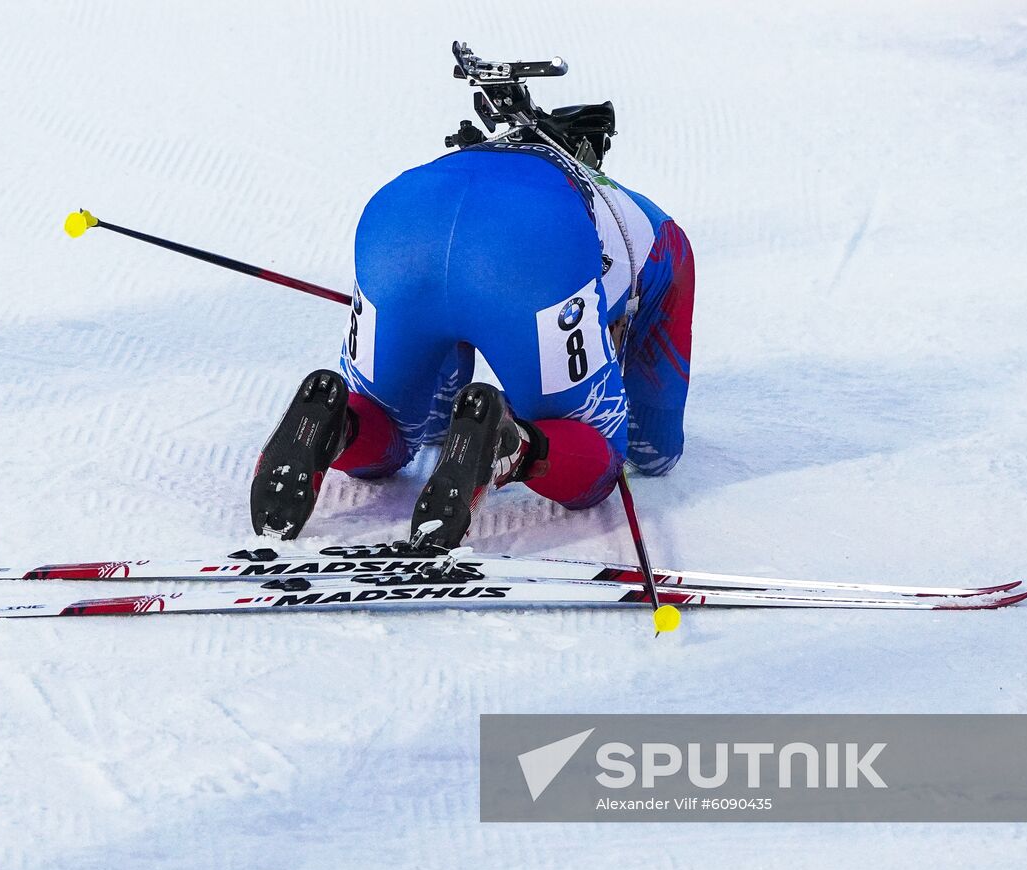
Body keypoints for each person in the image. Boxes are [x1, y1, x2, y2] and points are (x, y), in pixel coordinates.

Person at [250, 79, 694, 550]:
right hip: (536, 243)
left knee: (399, 424)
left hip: (401, 216)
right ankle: (512, 444)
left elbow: (441, 413)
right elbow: (655, 446)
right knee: (597, 453)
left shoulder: (470, 160)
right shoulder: (653, 228)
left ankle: (337, 427)